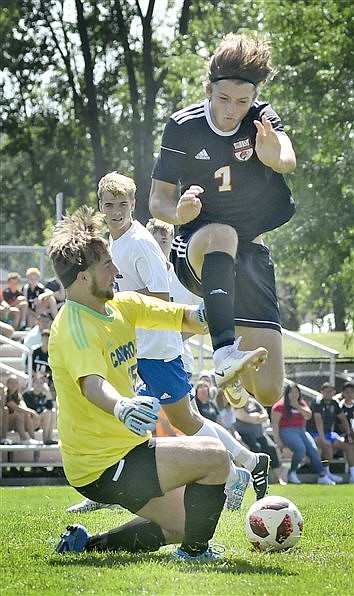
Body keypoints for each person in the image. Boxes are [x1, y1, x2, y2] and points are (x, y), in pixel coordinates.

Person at [49, 205, 230, 561]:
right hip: (101, 462)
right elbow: (92, 384)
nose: (116, 272)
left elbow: (186, 318)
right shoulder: (73, 328)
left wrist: (219, 307)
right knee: (215, 457)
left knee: (182, 523)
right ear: (82, 278)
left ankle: (87, 545)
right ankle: (196, 554)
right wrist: (121, 406)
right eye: (107, 266)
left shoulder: (121, 306)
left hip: (124, 450)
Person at [97, 170, 270, 510]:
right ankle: (249, 463)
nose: (116, 211)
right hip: (142, 349)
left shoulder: (138, 243)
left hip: (157, 349)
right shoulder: (117, 241)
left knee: (183, 421)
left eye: (122, 204)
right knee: (179, 419)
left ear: (133, 204)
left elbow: (160, 298)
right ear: (100, 206)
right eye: (109, 204)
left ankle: (235, 471)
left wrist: (118, 307)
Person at [149, 32, 297, 409]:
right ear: (208, 89)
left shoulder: (261, 120)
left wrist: (273, 156)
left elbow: (287, 158)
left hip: (250, 255)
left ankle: (235, 378)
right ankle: (223, 353)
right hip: (199, 245)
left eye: (243, 101)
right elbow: (157, 201)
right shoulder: (183, 126)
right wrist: (177, 213)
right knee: (222, 235)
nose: (233, 110)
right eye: (224, 99)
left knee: (268, 392)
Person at [271, 383, 336, 485]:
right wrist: (277, 440)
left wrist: (297, 406)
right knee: (300, 449)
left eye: (296, 392)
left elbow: (308, 415)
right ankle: (292, 473)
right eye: (291, 392)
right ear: (286, 393)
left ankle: (322, 475)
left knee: (313, 450)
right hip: (286, 431)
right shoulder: (279, 406)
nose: (294, 394)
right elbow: (274, 424)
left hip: (301, 430)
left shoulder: (301, 403)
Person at [306, 382, 354, 484]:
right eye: (326, 391)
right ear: (321, 392)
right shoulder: (317, 402)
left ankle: (352, 475)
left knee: (349, 447)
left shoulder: (334, 403)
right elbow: (318, 421)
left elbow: (343, 419)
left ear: (334, 392)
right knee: (327, 446)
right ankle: (325, 474)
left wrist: (349, 433)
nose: (329, 393)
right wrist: (323, 438)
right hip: (314, 433)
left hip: (328, 433)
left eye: (331, 391)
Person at [235, 396, 285, 485]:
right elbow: (247, 418)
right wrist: (258, 417)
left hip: (260, 435)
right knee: (256, 448)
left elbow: (265, 416)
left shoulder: (254, 402)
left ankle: (279, 479)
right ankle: (256, 479)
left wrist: (255, 418)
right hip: (245, 435)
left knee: (271, 448)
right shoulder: (237, 404)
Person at [4, 375, 41, 445]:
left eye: (16, 383)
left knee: (26, 413)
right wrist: (33, 412)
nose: (14, 385)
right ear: (7, 384)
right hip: (5, 423)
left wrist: (29, 412)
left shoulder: (17, 394)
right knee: (20, 413)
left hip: (16, 423)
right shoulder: (5, 394)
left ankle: (32, 439)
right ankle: (24, 438)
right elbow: (15, 407)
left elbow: (24, 407)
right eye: (12, 382)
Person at [22, 374, 57, 444]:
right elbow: (31, 408)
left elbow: (50, 407)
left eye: (41, 383)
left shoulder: (43, 395)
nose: (39, 385)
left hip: (39, 421)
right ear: (32, 384)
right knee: (47, 412)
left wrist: (48, 392)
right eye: (37, 382)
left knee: (52, 412)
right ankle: (46, 439)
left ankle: (48, 438)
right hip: (30, 422)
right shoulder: (27, 394)